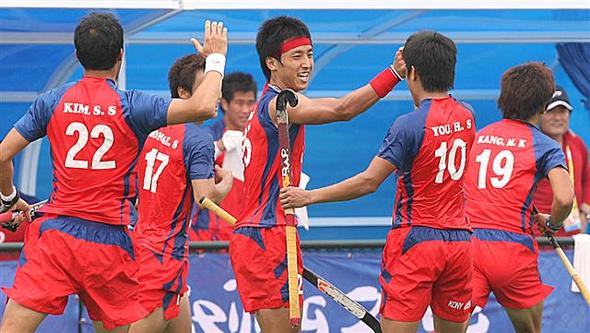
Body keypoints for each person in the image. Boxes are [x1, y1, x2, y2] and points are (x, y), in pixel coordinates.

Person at [0, 12, 228, 333]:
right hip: (109, 246)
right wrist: (216, 58)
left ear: (78, 55)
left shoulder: (52, 100)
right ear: (121, 55)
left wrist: (9, 198)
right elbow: (203, 106)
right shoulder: (133, 106)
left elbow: (2, 156)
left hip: (55, 239)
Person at [280, 31, 475, 333]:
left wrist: (309, 197)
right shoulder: (468, 115)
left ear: (412, 73)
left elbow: (369, 181)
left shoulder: (408, 125)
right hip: (460, 243)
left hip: (417, 241)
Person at [231, 16, 405, 332]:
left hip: (266, 232)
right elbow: (342, 110)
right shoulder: (280, 104)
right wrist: (393, 74)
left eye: (310, 54)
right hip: (267, 235)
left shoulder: (268, 106)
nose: (307, 63)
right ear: (272, 62)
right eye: (297, 56)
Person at [463, 63, 574, 333]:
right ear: (544, 105)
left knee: (451, 328)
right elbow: (564, 199)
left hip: (467, 246)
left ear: (504, 99)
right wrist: (554, 223)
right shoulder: (546, 145)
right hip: (511, 251)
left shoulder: (478, 136)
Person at [130, 54, 232, 333]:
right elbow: (207, 199)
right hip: (162, 259)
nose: (214, 97)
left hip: (148, 250)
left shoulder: (153, 128)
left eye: (216, 89)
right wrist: (228, 181)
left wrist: (211, 58)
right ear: (183, 93)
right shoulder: (199, 139)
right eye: (206, 88)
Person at [191, 72, 257, 241]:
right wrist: (218, 146)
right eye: (240, 103)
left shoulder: (259, 137)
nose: (246, 110)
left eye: (250, 103)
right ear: (225, 104)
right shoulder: (206, 136)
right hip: (209, 234)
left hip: (246, 229)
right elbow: (187, 161)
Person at [533, 85, 590, 235]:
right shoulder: (530, 146)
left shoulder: (577, 143)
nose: (558, 118)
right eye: (551, 111)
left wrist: (585, 213)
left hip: (574, 238)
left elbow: (587, 179)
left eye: (562, 111)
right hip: (539, 238)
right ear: (539, 114)